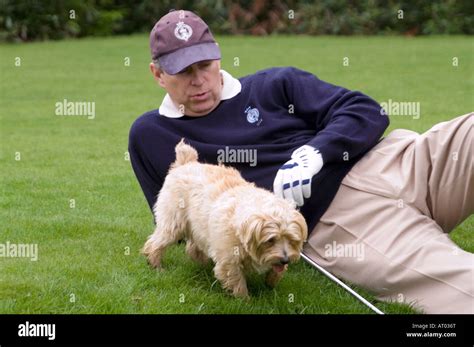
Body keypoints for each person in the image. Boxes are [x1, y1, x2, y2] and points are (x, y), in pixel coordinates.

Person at [128, 10, 473, 313]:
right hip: (341, 221)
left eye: (205, 65)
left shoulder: (275, 83)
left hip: (396, 161)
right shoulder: (151, 134)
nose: (199, 80)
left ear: (218, 56)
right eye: (183, 71)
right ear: (157, 74)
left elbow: (366, 111)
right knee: (460, 285)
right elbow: (177, 220)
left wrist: (315, 153)